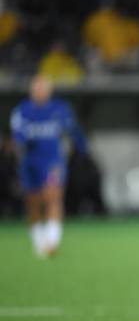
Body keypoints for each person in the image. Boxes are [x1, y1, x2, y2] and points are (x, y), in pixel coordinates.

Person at [10, 75, 87, 257]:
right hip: (30, 163)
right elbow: (17, 137)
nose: (39, 92)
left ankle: (52, 241)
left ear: (49, 91)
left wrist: (83, 149)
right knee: (33, 201)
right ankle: (38, 240)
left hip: (52, 162)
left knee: (53, 195)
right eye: (36, 89)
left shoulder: (60, 110)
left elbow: (73, 130)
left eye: (42, 89)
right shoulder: (22, 111)